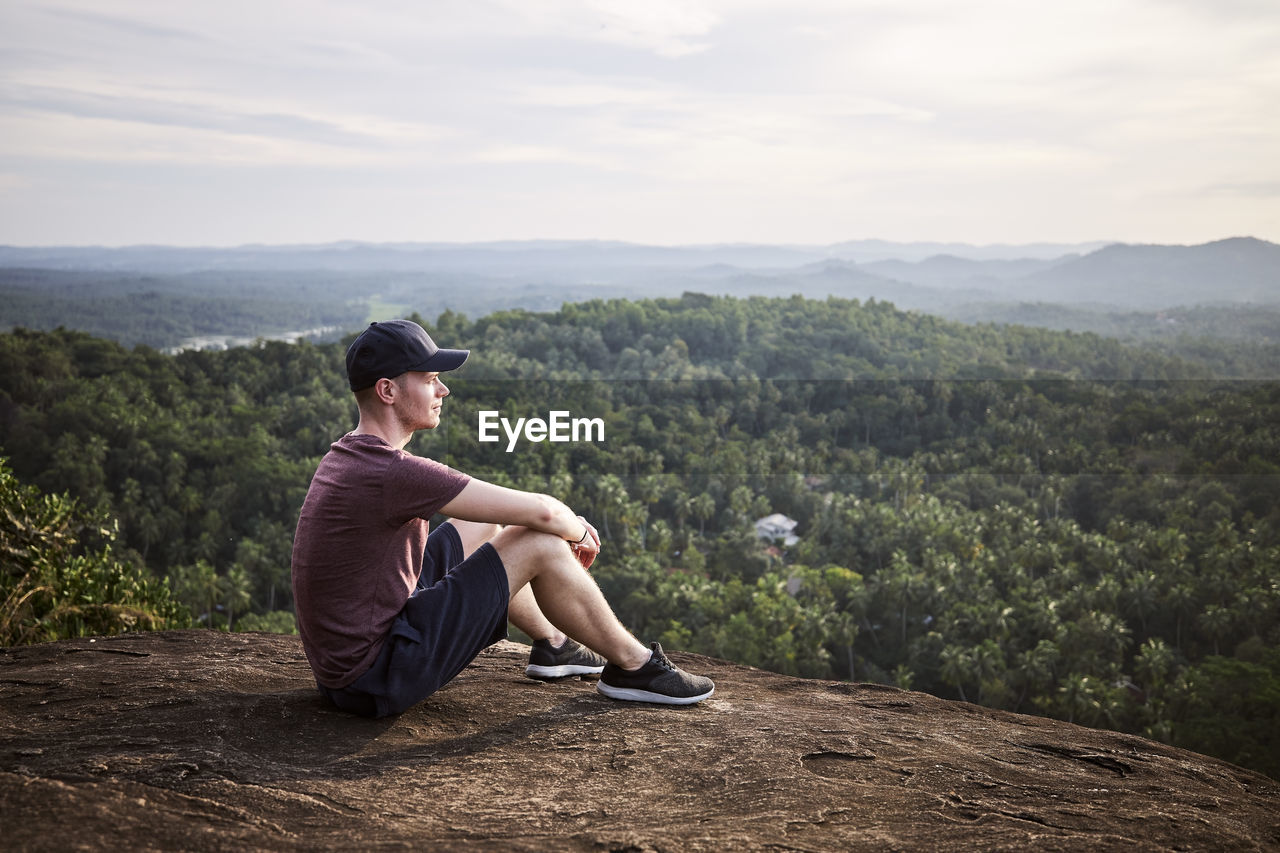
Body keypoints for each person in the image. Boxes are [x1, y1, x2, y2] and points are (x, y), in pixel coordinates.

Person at [291, 319, 714, 718]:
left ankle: (555, 643)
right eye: (429, 379)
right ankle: (635, 667)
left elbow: (503, 514)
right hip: (376, 675)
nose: (444, 390)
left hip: (349, 667)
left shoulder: (350, 454)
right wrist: (579, 532)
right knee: (541, 541)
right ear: (387, 390)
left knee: (483, 527)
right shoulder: (391, 471)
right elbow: (543, 512)